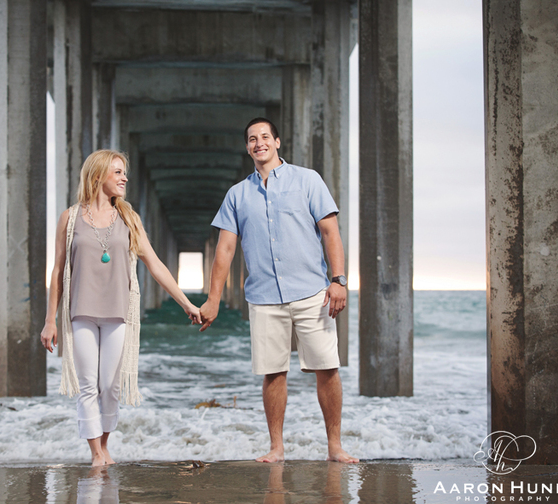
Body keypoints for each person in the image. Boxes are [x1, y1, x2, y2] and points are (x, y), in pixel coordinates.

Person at [199, 118, 358, 464]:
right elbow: (224, 250)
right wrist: (213, 299)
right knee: (273, 372)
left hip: (312, 293)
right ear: (247, 148)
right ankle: (276, 447)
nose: (259, 143)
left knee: (327, 368)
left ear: (277, 142)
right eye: (252, 139)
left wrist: (340, 279)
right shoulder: (237, 194)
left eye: (265, 137)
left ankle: (334, 446)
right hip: (264, 297)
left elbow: (330, 231)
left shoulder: (307, 180)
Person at [41, 149, 201, 467]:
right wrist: (50, 320)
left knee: (110, 386)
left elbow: (154, 264)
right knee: (87, 385)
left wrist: (185, 302)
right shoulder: (70, 218)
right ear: (98, 175)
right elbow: (58, 270)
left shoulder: (128, 218)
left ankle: (104, 444)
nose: (124, 177)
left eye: (124, 171)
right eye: (117, 172)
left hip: (118, 313)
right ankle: (97, 454)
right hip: (81, 312)